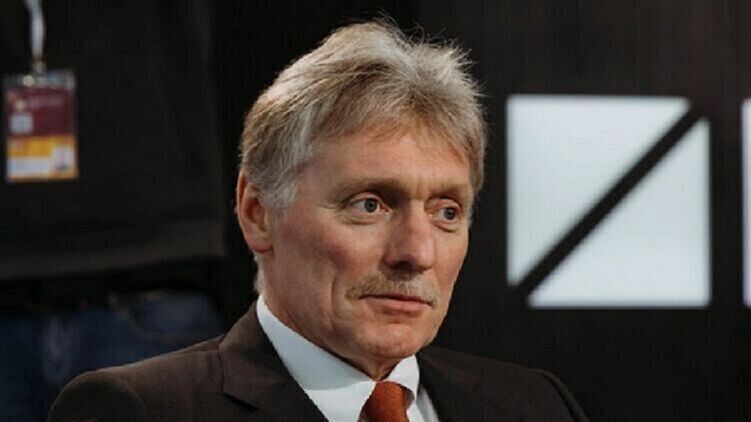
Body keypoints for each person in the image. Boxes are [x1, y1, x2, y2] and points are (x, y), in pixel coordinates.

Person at [48, 20, 588, 421]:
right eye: (370, 205)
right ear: (258, 213)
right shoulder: (144, 410)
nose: (417, 252)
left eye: (446, 212)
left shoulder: (536, 406)